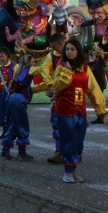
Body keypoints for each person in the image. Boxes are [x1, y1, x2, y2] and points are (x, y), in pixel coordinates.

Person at [53, 38, 107, 183]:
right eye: (67, 49)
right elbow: (57, 86)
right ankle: (67, 171)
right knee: (69, 141)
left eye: (72, 49)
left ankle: (74, 169)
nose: (69, 52)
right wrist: (66, 73)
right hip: (65, 111)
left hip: (80, 111)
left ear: (78, 51)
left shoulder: (85, 68)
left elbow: (93, 88)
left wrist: (100, 109)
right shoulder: (61, 67)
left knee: (78, 142)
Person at [0, 54, 45, 160]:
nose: (35, 64)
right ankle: (22, 152)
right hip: (19, 100)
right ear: (29, 63)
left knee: (13, 124)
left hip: (11, 99)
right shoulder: (30, 69)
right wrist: (50, 83)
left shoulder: (19, 72)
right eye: (33, 61)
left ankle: (5, 150)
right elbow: (42, 70)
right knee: (22, 125)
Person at [38, 33, 66, 164]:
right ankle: (60, 151)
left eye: (55, 47)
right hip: (59, 95)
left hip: (72, 96)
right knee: (57, 123)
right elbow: (44, 70)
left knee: (73, 125)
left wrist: (99, 108)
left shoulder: (75, 55)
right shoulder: (52, 56)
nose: (53, 50)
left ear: (61, 44)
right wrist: (50, 84)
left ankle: (69, 153)